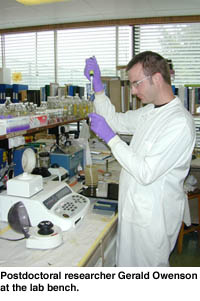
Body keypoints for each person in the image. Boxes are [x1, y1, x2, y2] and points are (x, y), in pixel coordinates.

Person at [84, 51, 196, 267]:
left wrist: (111, 138)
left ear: (156, 78)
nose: (133, 91)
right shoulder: (150, 112)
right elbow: (114, 120)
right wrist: (98, 89)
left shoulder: (179, 123)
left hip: (152, 223)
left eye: (136, 84)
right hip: (134, 211)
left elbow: (145, 172)